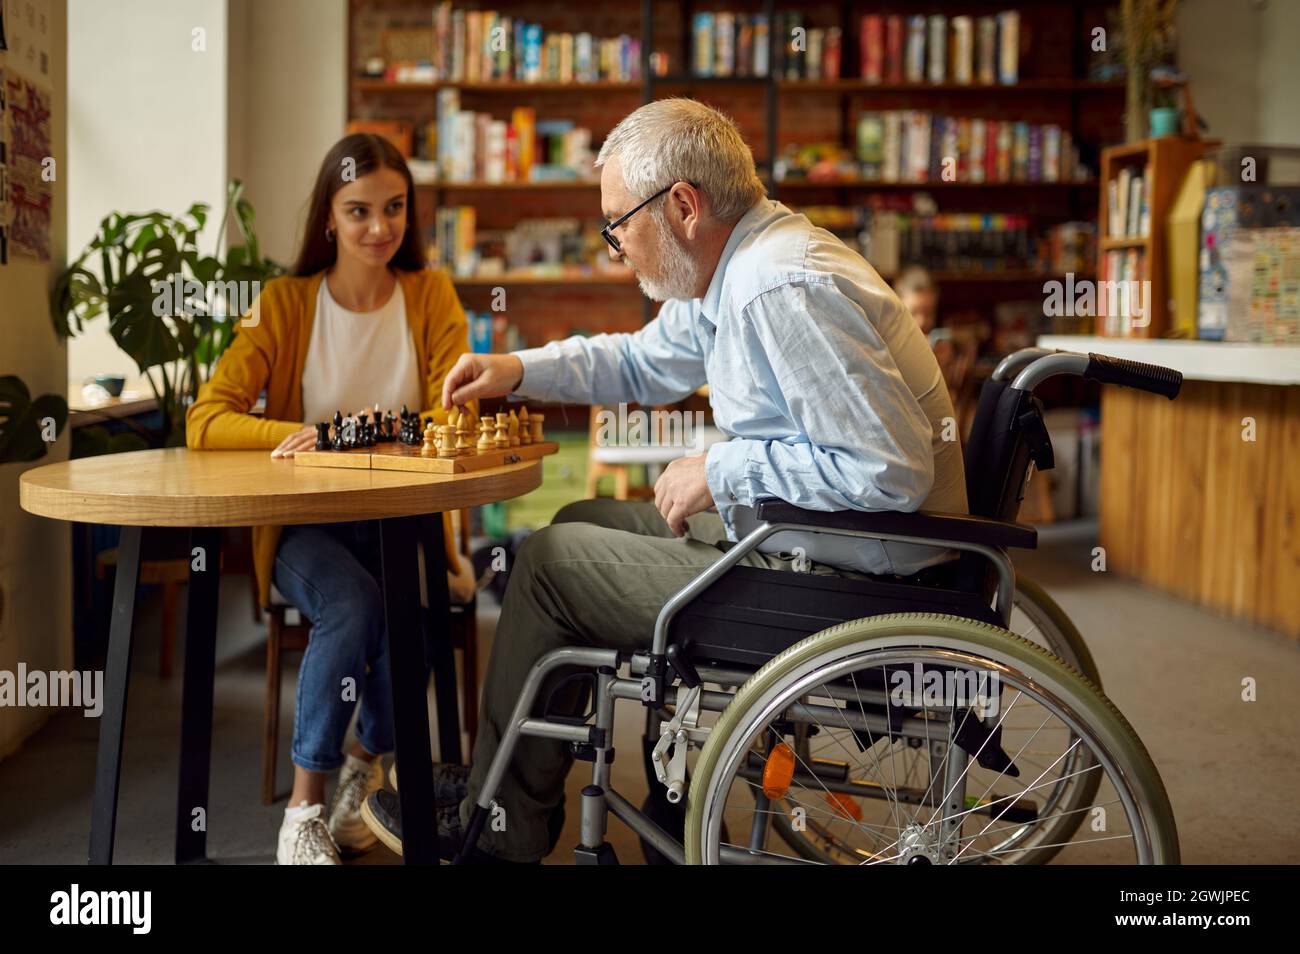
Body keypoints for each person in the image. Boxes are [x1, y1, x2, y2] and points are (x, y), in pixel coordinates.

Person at [360, 98, 968, 864]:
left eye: (618, 223)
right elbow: (643, 362)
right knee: (580, 515)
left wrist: (722, 467)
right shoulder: (733, 265)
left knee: (547, 567)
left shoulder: (777, 286)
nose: (616, 246)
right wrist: (519, 370)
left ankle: (507, 822)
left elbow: (891, 472)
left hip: (850, 581)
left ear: (682, 204)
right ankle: (513, 782)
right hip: (806, 542)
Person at [186, 133, 475, 865]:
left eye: (394, 209)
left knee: (417, 612)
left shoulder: (430, 294)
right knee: (351, 603)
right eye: (358, 211)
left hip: (400, 522)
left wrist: (355, 436)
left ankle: (362, 772)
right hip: (304, 528)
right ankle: (303, 809)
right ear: (328, 219)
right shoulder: (283, 304)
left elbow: (458, 415)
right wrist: (302, 434)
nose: (380, 228)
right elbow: (206, 416)